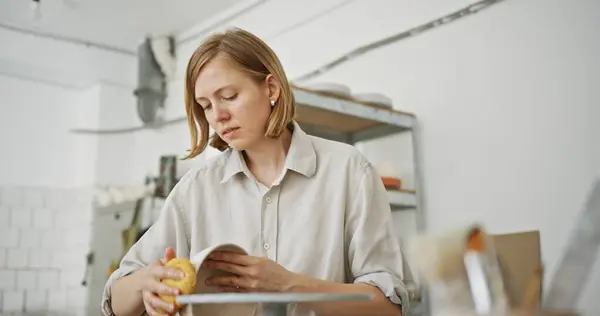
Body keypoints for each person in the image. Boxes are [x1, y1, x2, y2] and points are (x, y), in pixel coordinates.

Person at [101, 27, 410, 316]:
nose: (218, 117)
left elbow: (389, 306)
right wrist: (147, 283)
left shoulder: (348, 171)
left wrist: (291, 285)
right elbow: (114, 299)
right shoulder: (195, 190)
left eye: (229, 96)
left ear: (271, 88)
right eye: (206, 105)